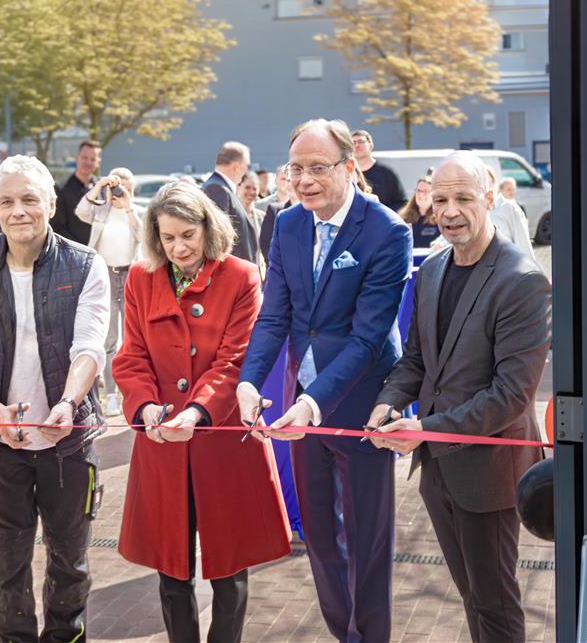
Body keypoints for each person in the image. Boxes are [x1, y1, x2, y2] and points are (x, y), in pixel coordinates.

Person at [237, 119, 413, 642]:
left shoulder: (387, 231)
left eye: (318, 168)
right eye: (296, 169)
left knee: (367, 540)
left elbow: (367, 339)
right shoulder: (287, 224)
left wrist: (313, 403)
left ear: (349, 166)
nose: (305, 180)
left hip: (361, 405)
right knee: (318, 534)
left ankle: (372, 636)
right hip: (299, 406)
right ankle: (345, 633)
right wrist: (250, 380)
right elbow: (274, 316)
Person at [368, 151, 551, 643]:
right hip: (438, 470)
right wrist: (388, 403)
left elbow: (511, 396)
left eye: (464, 198)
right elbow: (416, 360)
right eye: (441, 198)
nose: (449, 210)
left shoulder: (523, 282)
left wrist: (423, 428)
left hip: (490, 473)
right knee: (472, 595)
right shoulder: (431, 271)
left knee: (494, 603)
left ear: (490, 199)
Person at [112, 182, 291, 643]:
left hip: (221, 439)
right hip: (161, 444)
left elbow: (236, 360)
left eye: (187, 235)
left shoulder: (241, 275)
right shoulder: (140, 278)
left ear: (207, 228)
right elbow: (131, 355)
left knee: (229, 567)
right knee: (171, 570)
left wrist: (196, 413)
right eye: (168, 238)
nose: (179, 248)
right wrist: (145, 405)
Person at [0, 155, 110, 642]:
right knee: (6, 564)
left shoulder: (85, 266)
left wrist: (68, 401)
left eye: (29, 200)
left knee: (70, 564)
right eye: (7, 202)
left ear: (49, 202)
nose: (18, 211)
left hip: (68, 442)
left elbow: (90, 344)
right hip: (1, 448)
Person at [75, 167, 144, 417]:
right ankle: (111, 395)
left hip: (130, 277)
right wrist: (99, 185)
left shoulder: (136, 212)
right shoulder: (101, 210)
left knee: (133, 338)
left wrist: (128, 207)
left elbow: (144, 237)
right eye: (117, 187)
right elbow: (81, 211)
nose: (120, 192)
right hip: (104, 274)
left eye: (126, 187)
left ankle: (132, 391)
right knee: (109, 341)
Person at [201, 141, 259, 264]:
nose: (246, 171)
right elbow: (218, 240)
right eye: (247, 166)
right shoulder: (217, 189)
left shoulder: (220, 187)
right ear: (236, 166)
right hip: (231, 275)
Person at [51, 140, 102, 245]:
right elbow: (57, 228)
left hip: (101, 255)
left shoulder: (103, 189)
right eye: (84, 157)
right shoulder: (60, 188)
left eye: (93, 159)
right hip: (73, 255)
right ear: (76, 158)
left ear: (98, 162)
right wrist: (81, 251)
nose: (88, 162)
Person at [352, 129, 406, 211]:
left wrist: (381, 213)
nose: (357, 145)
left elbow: (401, 203)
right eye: (353, 143)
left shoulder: (386, 173)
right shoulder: (346, 174)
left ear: (371, 146)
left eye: (361, 141)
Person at [398, 176, 440, 248]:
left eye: (426, 191)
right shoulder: (403, 218)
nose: (421, 194)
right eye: (418, 190)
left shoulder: (441, 218)